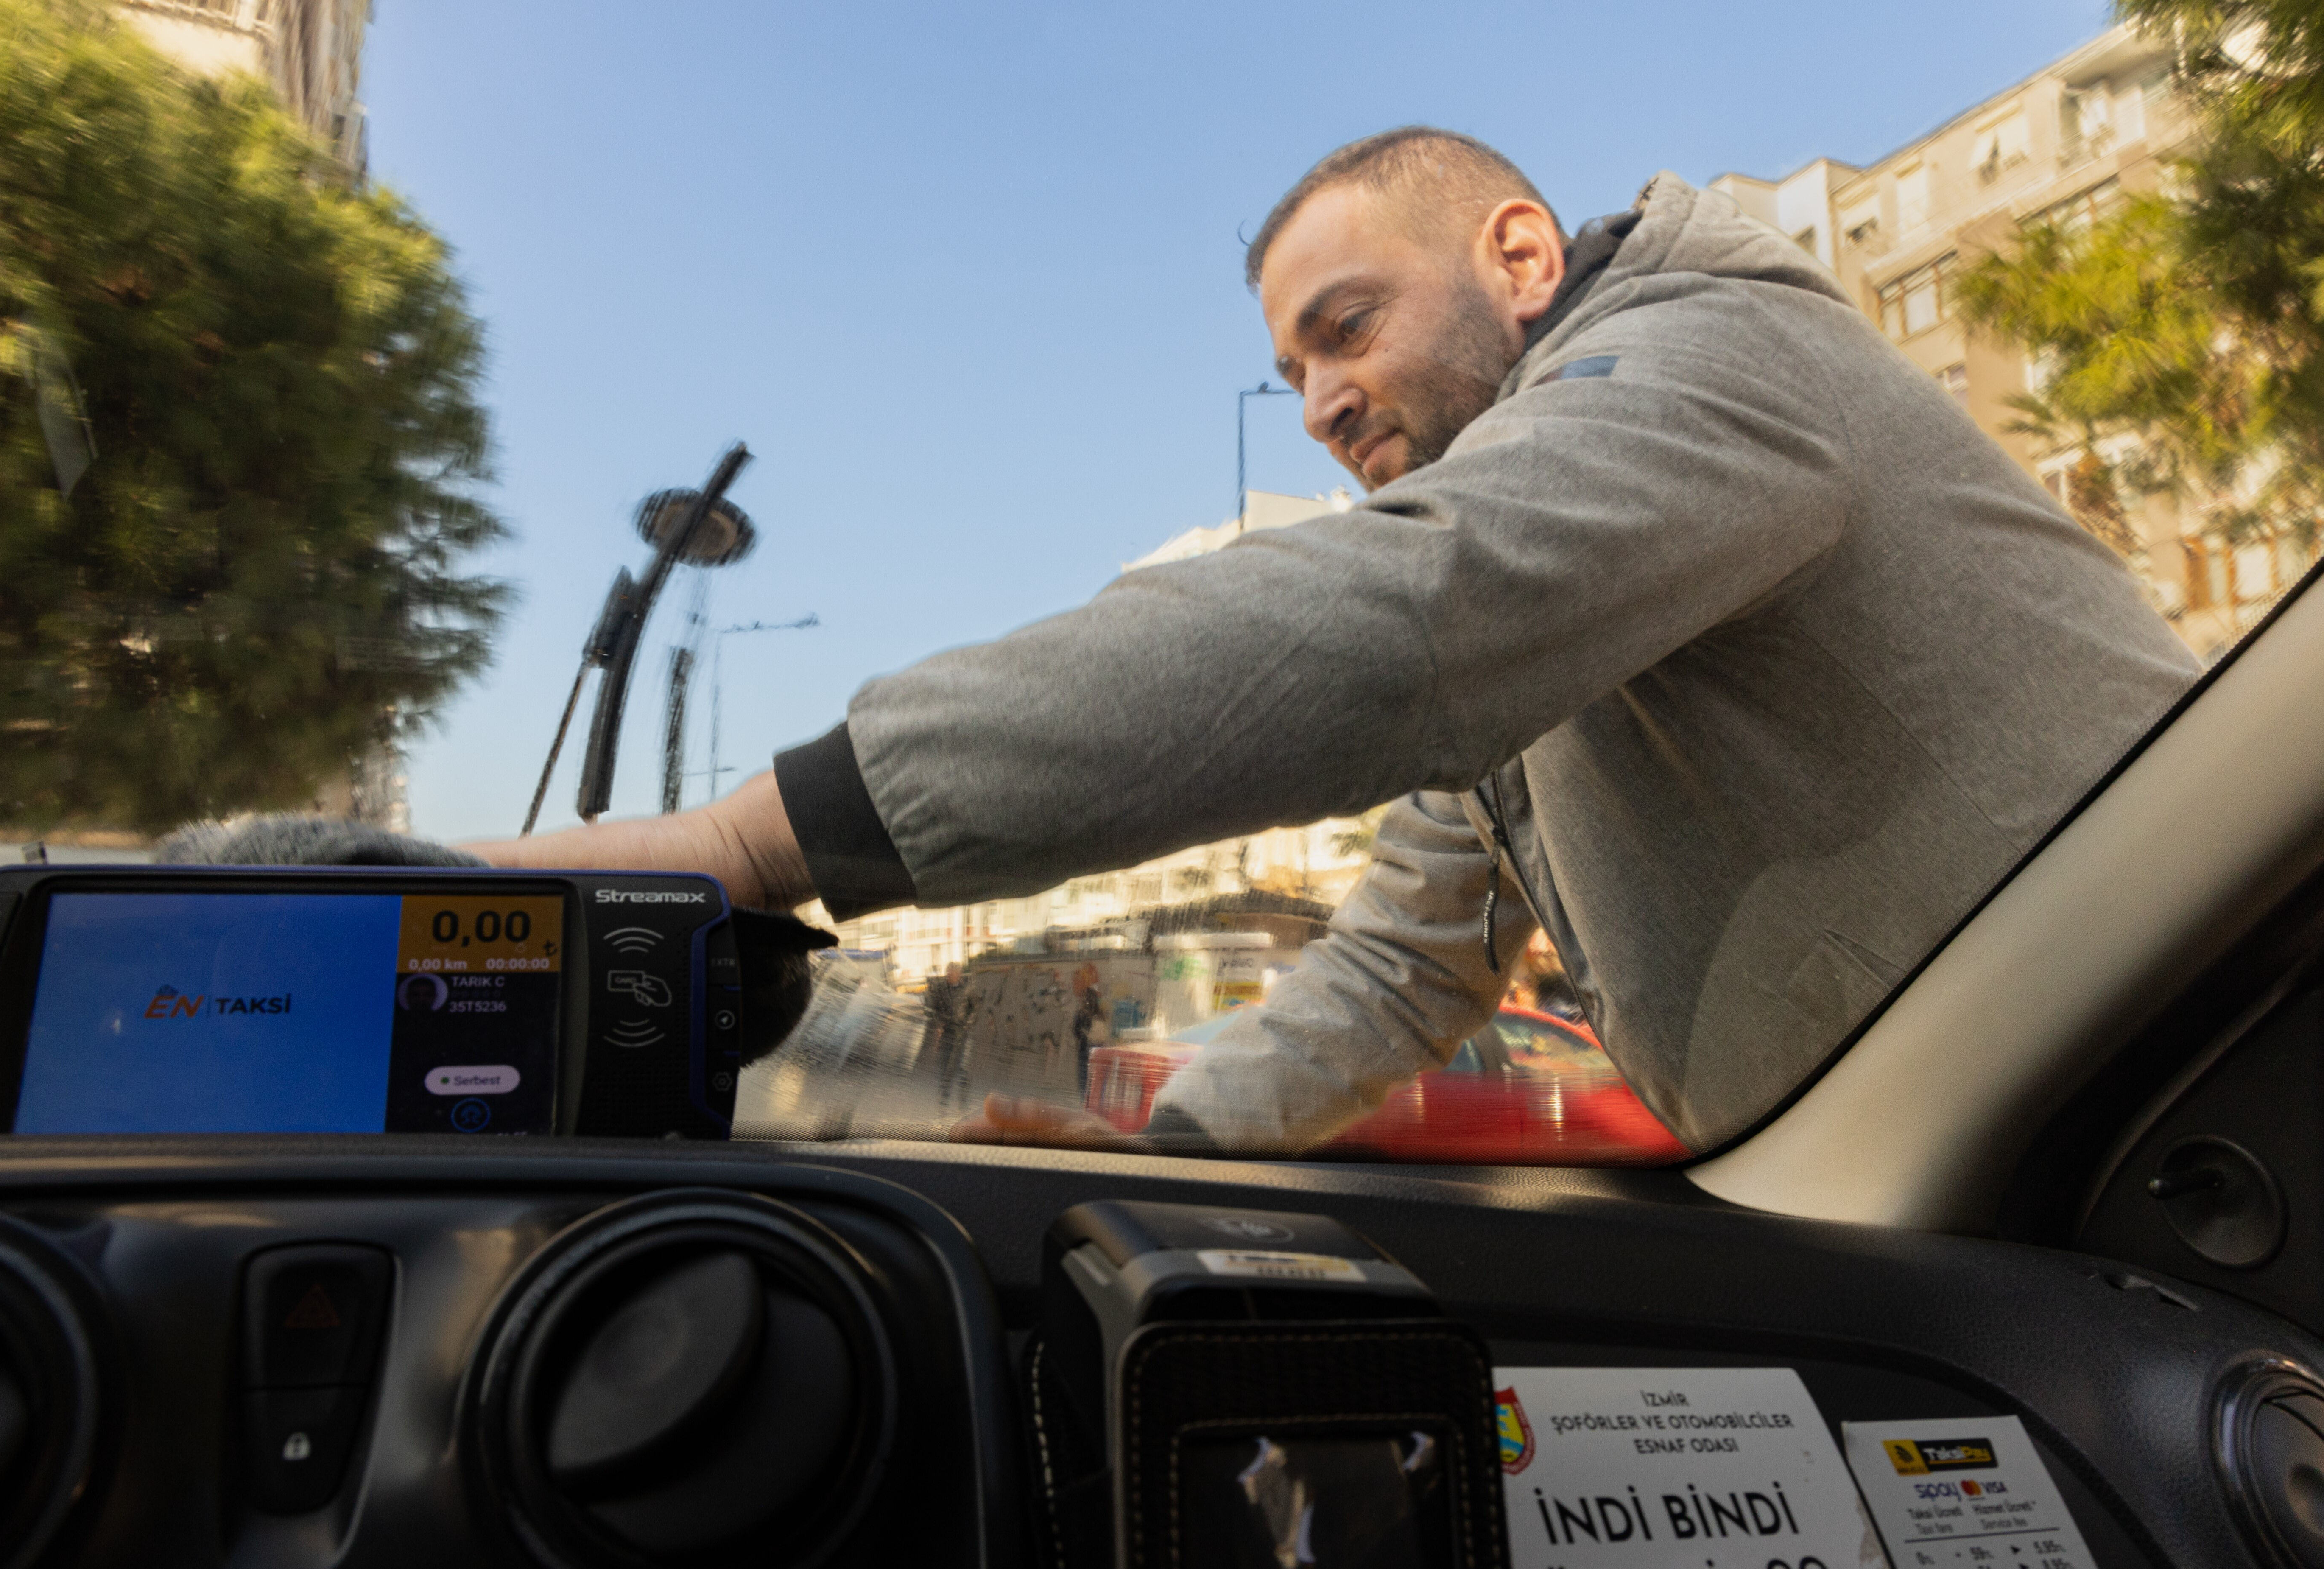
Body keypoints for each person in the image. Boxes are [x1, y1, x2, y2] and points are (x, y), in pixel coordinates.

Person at [477, 127, 2197, 1155]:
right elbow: (1407, 959)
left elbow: (1395, 615)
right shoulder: (1553, 604)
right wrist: (1160, 1147)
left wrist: (740, 844)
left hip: (2173, 1098)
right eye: (1291, 369)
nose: (1316, 404)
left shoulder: (1707, 358)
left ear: (1520, 255)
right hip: (1958, 1159)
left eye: (1345, 329)